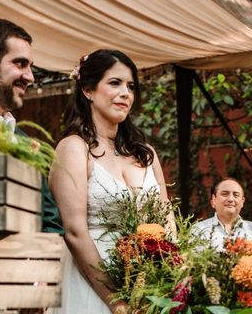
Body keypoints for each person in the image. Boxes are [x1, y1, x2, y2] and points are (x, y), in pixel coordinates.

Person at [49, 50, 171, 314]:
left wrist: (171, 279)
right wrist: (117, 302)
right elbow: (74, 232)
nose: (125, 92)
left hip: (149, 287)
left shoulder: (146, 154)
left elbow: (168, 219)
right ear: (88, 90)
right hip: (93, 283)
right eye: (114, 83)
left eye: (130, 86)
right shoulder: (73, 149)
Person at [0, 18, 62, 233]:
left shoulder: (25, 140)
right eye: (20, 63)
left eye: (30, 67)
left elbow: (50, 220)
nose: (30, 77)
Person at [192, 178, 252, 251]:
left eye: (236, 195)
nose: (231, 199)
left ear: (242, 202)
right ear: (213, 200)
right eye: (225, 194)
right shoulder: (198, 230)